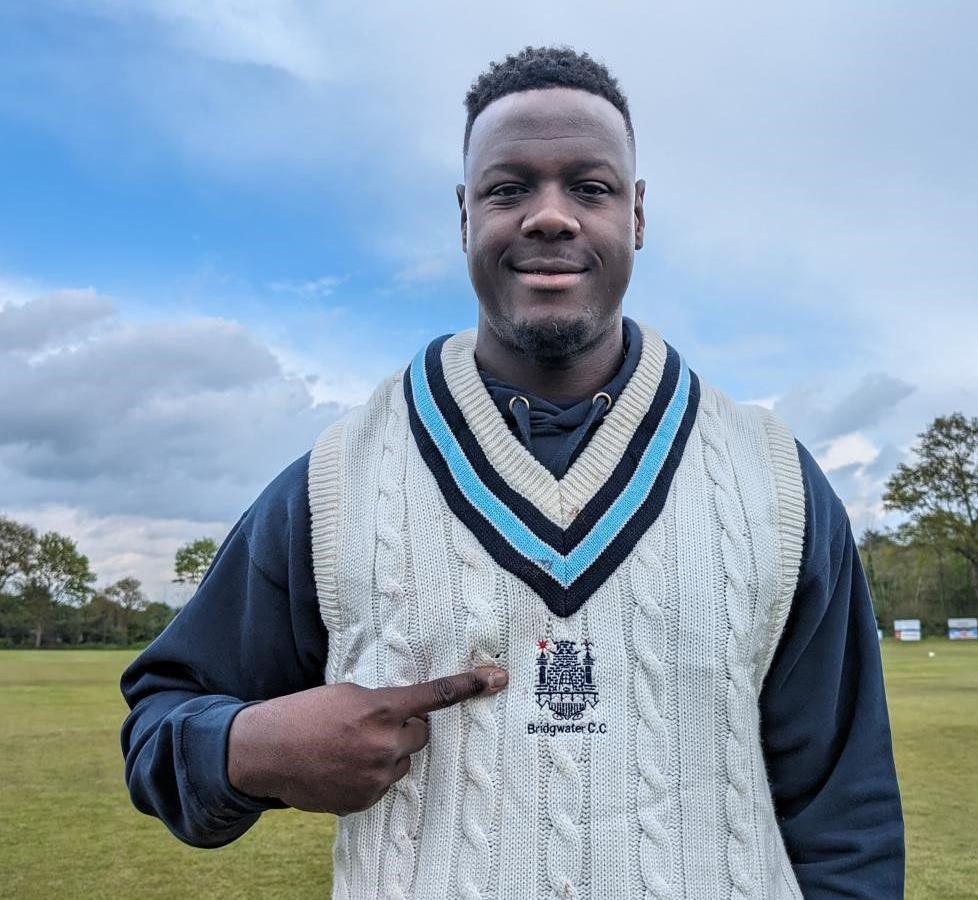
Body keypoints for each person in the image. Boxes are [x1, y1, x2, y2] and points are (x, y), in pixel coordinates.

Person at [121, 46, 903, 898]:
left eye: (590, 188)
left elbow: (846, 815)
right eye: (509, 188)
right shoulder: (339, 480)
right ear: (464, 216)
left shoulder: (774, 481)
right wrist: (251, 748)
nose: (550, 217)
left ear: (637, 214)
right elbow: (162, 718)